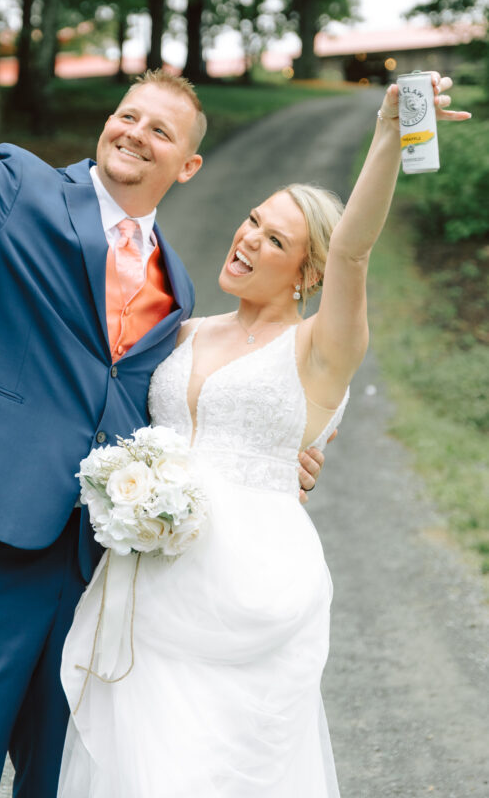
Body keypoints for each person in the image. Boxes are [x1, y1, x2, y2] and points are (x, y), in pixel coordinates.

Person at [0, 0, 325, 798]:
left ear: (189, 168)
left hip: (100, 568)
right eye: (127, 115)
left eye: (159, 131)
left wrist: (281, 453)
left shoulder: (181, 286)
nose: (134, 133)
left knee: (66, 778)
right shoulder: (15, 188)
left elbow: (175, 412)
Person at [58, 74, 471, 797]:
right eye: (252, 219)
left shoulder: (320, 350)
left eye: (273, 238)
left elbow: (353, 252)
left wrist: (386, 137)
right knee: (141, 768)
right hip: (152, 590)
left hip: (249, 591)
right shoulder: (181, 327)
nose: (246, 237)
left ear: (307, 271)